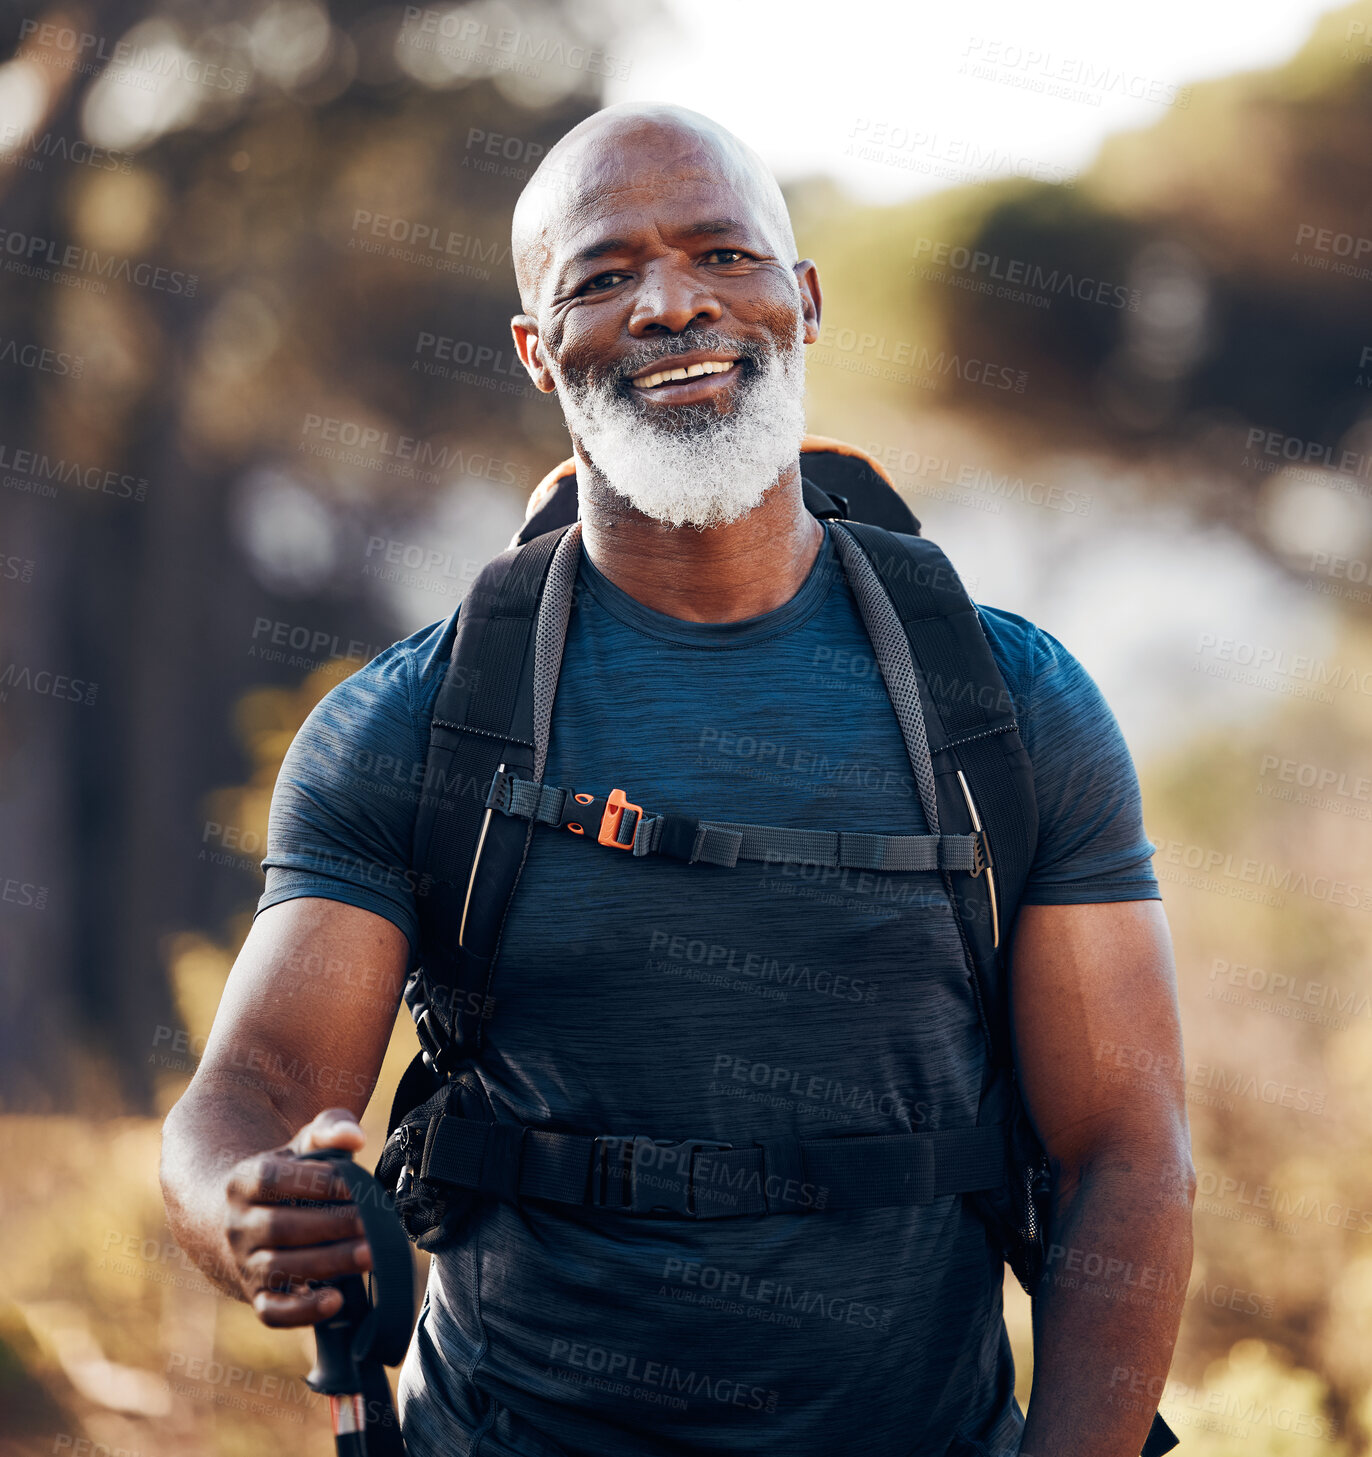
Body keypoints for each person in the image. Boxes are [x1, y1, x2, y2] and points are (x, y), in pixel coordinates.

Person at [161, 102, 1195, 1457]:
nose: (669, 304)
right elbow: (246, 1088)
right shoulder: (410, 727)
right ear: (539, 351)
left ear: (803, 300)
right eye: (600, 276)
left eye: (723, 253)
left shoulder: (1012, 705)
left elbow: (1127, 1150)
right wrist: (243, 1202)